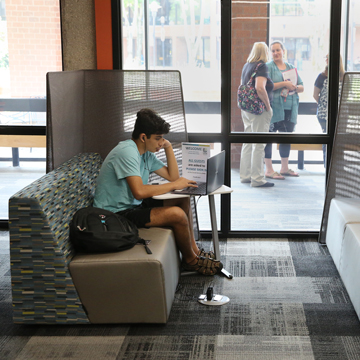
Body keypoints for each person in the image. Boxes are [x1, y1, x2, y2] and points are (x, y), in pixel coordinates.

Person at [93, 108, 223, 276]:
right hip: (115, 214)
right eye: (158, 138)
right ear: (143, 137)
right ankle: (191, 261)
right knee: (176, 214)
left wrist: (168, 147)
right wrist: (175, 184)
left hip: (132, 205)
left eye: (162, 138)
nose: (161, 142)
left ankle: (195, 251)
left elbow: (172, 176)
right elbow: (139, 191)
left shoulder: (145, 153)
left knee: (182, 199)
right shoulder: (127, 152)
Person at [264, 41, 304, 180]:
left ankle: (284, 168)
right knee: (268, 139)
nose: (275, 53)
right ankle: (269, 169)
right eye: (273, 51)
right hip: (273, 108)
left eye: (278, 50)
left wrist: (295, 87)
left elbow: (302, 86)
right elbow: (267, 86)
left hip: (289, 108)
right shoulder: (268, 67)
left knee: (286, 138)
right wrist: (284, 84)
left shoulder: (291, 67)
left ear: (283, 51)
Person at [239, 42, 274, 188]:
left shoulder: (247, 66)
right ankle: (257, 179)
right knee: (259, 144)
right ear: (264, 52)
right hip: (258, 110)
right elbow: (260, 88)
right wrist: (268, 106)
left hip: (246, 109)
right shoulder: (262, 66)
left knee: (248, 142)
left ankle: (245, 175)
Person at [313, 54, 345, 165]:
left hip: (341, 114)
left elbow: (346, 95)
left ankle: (338, 165)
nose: (327, 60)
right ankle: (328, 165)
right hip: (323, 114)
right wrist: (324, 105)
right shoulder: (321, 76)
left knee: (340, 138)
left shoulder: (344, 76)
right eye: (326, 58)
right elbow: (315, 95)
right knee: (327, 137)